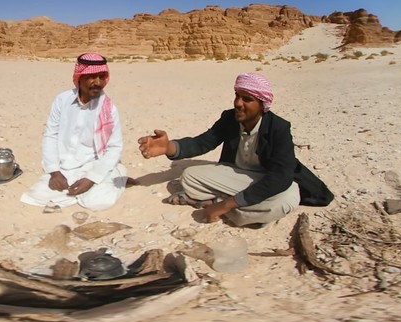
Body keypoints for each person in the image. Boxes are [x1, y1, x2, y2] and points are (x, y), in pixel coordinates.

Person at [137, 72, 332, 227]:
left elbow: (280, 177)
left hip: (267, 179)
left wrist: (225, 205)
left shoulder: (279, 128)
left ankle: (218, 205)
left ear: (262, 104)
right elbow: (204, 142)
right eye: (237, 96)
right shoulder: (229, 118)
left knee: (287, 199)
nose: (238, 103)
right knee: (189, 176)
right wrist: (169, 147)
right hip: (238, 176)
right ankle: (242, 211)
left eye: (247, 99)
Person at [20, 53, 127, 210]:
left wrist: (91, 179)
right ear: (79, 78)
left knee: (97, 202)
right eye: (91, 77)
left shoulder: (109, 109)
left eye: (101, 77)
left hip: (95, 164)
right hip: (65, 167)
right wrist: (54, 172)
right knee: (37, 194)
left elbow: (114, 147)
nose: (97, 82)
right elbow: (51, 135)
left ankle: (118, 173)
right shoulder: (62, 100)